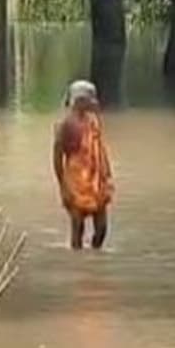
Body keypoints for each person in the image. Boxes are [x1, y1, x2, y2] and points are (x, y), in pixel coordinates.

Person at [53, 79, 114, 249]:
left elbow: (99, 148)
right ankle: (77, 263)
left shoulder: (93, 121)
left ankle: (94, 256)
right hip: (76, 182)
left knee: (101, 228)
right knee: (78, 227)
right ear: (80, 100)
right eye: (90, 98)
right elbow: (58, 157)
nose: (94, 102)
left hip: (96, 182)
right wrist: (63, 186)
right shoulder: (65, 125)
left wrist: (107, 174)